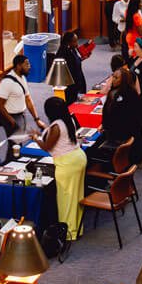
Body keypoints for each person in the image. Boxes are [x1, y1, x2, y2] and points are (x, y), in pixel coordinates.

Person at [41, 96, 87, 241]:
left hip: (67, 164)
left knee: (66, 199)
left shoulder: (56, 127)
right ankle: (77, 228)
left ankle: (68, 233)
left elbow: (47, 147)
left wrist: (36, 138)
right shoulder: (68, 120)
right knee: (77, 196)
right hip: (78, 158)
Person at [102, 64, 142, 158]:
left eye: (116, 78)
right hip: (115, 131)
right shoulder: (112, 92)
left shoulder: (130, 94)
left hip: (123, 133)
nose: (113, 79)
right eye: (113, 76)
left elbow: (127, 118)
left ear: (123, 80)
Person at [0, 55, 41, 135]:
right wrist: (11, 120)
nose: (29, 66)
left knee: (19, 141)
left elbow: (28, 99)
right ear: (18, 66)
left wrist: (36, 119)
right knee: (14, 144)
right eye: (26, 64)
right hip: (10, 117)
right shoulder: (7, 82)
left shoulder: (22, 78)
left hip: (21, 115)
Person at [56, 29, 89, 103]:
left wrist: (82, 58)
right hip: (69, 84)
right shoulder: (62, 53)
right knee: (69, 103)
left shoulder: (72, 49)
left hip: (75, 80)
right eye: (75, 41)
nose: (77, 44)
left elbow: (74, 61)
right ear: (68, 42)